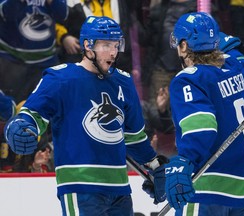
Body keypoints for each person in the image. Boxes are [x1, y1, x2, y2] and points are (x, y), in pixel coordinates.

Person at [4, 16, 167, 215]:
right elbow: (33, 115)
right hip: (80, 187)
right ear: (88, 46)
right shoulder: (60, 78)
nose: (113, 52)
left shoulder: (123, 82)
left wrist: (155, 165)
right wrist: (20, 126)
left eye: (117, 45)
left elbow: (134, 138)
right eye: (106, 45)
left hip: (119, 189)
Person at [164, 12, 244, 215]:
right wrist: (230, 46)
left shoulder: (188, 79)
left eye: (178, 42)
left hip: (210, 186)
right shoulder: (235, 66)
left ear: (184, 45)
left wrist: (185, 162)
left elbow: (201, 128)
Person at [0, 0, 68, 103]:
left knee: (47, 106)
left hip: (46, 60)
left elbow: (62, 16)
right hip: (12, 60)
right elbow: (7, 13)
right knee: (10, 108)